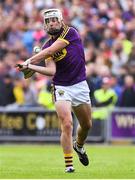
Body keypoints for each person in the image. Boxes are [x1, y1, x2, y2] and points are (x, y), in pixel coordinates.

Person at [17, 9, 92, 173]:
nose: (52, 23)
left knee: (86, 125)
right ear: (45, 26)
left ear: (61, 21)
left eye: (54, 19)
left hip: (79, 84)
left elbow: (50, 52)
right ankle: (69, 165)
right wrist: (28, 68)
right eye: (48, 21)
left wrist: (29, 61)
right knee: (67, 123)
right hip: (61, 86)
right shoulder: (46, 46)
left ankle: (79, 146)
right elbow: (51, 71)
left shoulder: (70, 32)